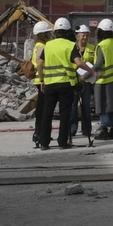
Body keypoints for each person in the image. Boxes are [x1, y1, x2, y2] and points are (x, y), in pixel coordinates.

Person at [34, 17, 78, 150]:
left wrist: (42, 80)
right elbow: (78, 63)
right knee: (65, 114)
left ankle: (44, 142)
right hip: (65, 84)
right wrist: (91, 71)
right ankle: (62, 142)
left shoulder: (48, 46)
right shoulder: (70, 45)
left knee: (47, 113)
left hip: (50, 85)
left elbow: (40, 64)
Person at [93, 19, 113, 140]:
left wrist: (86, 73)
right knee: (112, 106)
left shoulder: (102, 45)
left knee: (103, 106)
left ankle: (104, 129)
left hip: (103, 80)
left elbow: (99, 63)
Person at [28, 20, 52, 148]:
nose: (50, 35)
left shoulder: (38, 46)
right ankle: (39, 133)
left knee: (41, 107)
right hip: (43, 80)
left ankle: (39, 132)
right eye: (48, 33)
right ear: (43, 34)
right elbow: (40, 64)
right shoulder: (42, 47)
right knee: (43, 108)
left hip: (40, 80)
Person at [70, 24, 95, 141]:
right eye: (83, 35)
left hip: (87, 81)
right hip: (74, 80)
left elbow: (95, 64)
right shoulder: (72, 48)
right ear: (77, 36)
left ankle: (86, 129)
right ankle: (72, 129)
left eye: (87, 35)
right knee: (73, 105)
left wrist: (86, 75)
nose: (85, 38)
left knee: (86, 105)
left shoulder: (92, 48)